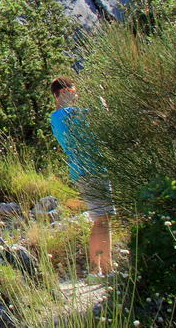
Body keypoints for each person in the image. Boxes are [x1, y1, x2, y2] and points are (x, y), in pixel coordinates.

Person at [49, 77, 115, 276]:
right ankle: (101, 269)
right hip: (92, 170)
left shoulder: (57, 118)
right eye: (74, 91)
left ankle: (103, 267)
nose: (76, 95)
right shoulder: (68, 114)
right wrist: (101, 96)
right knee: (102, 220)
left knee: (102, 219)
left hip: (85, 171)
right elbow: (103, 117)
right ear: (64, 92)